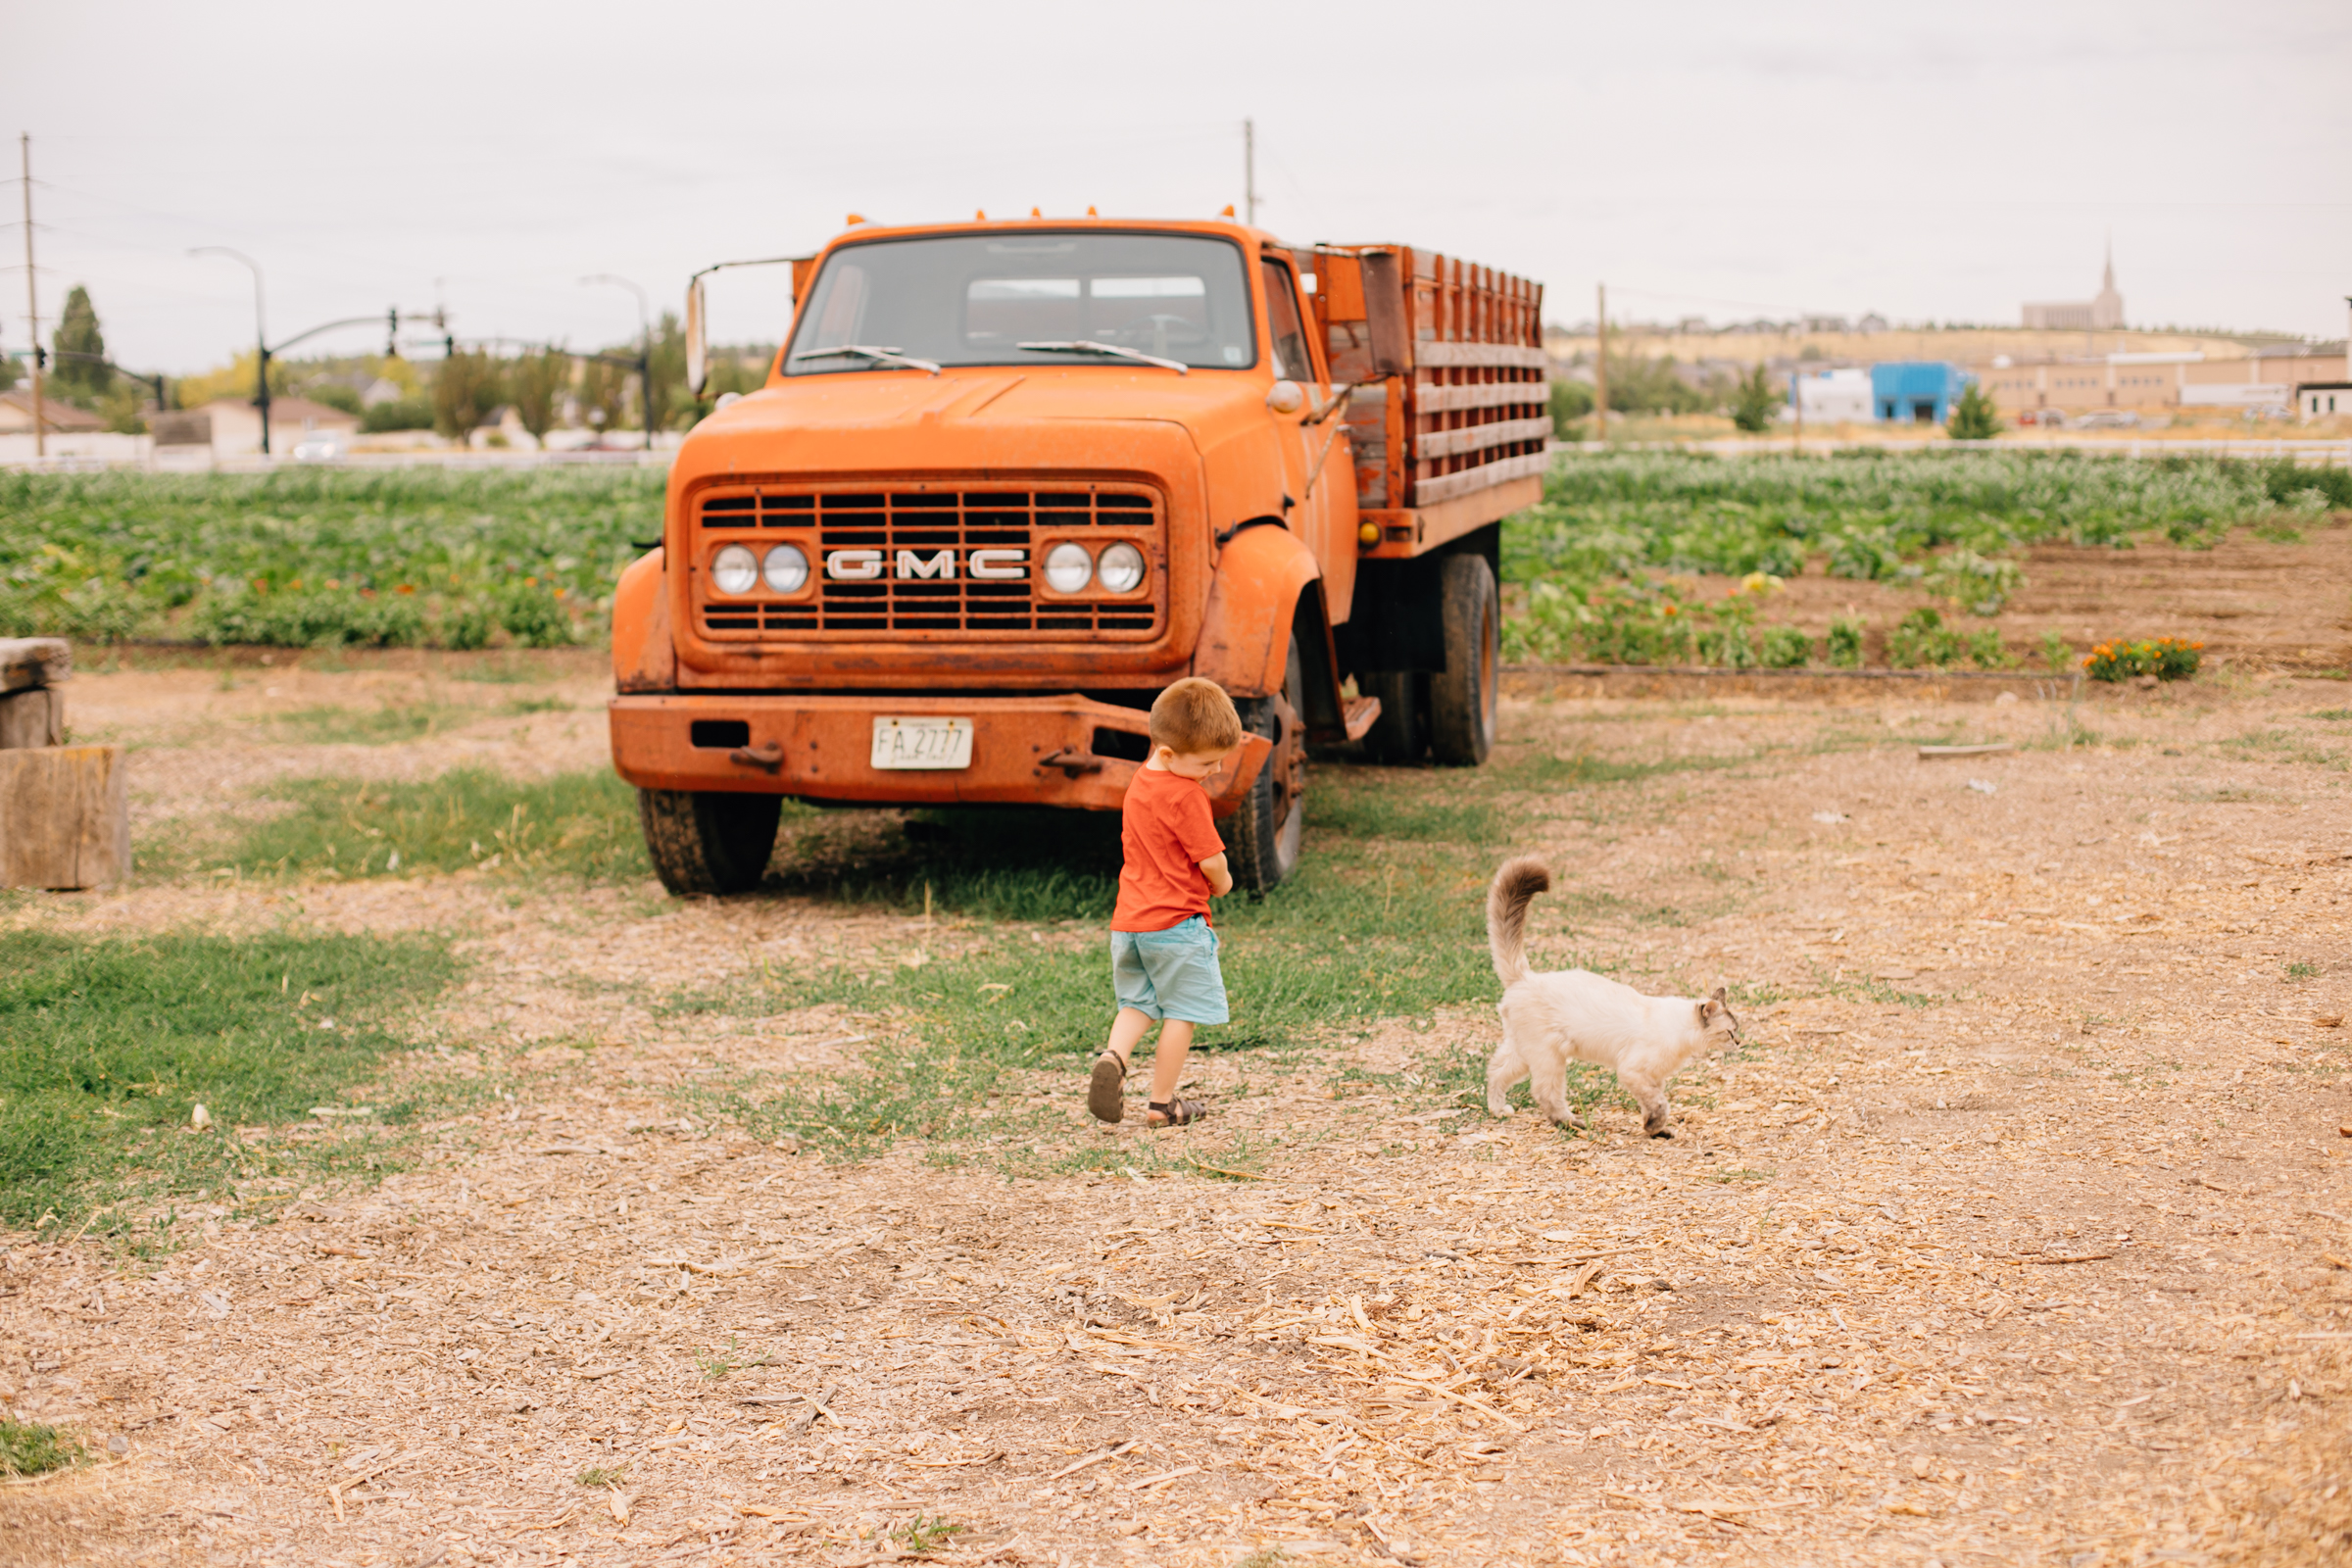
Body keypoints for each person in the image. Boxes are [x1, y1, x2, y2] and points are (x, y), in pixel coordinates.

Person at [1088, 677, 1246, 1128]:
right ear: (1171, 754)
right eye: (1207, 763)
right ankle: (1162, 1104)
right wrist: (1224, 882)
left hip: (1129, 925)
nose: (1214, 771)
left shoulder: (1142, 780)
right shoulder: (1186, 795)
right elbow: (1212, 861)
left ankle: (1114, 1056)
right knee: (1182, 1011)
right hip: (1176, 925)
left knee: (1137, 1003)